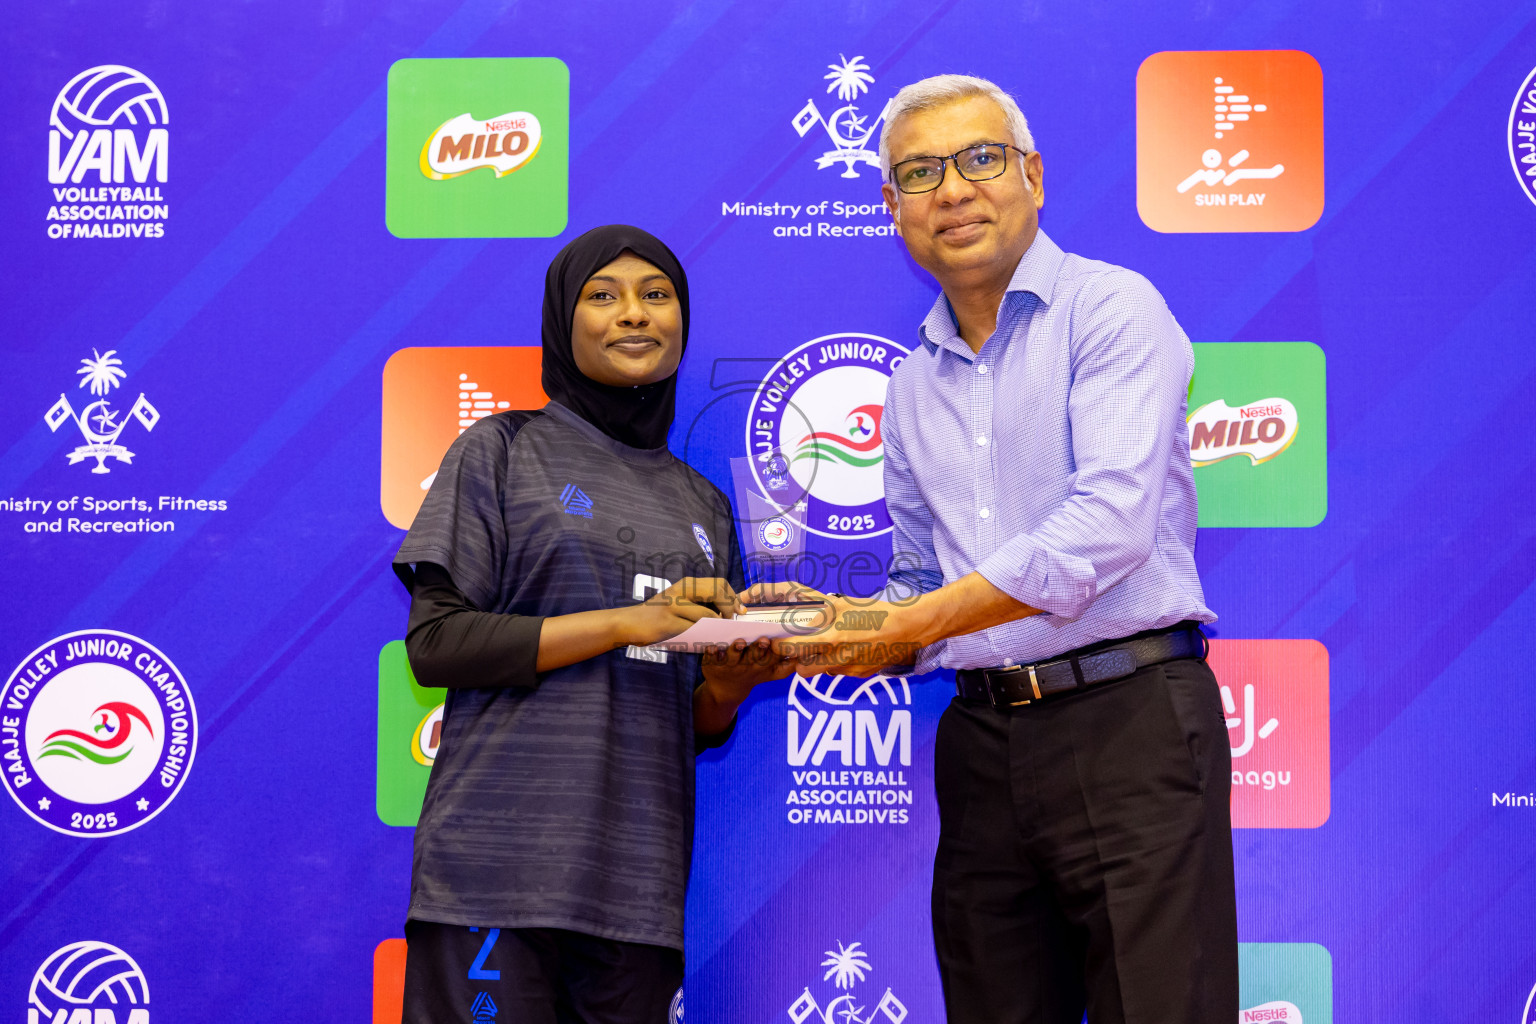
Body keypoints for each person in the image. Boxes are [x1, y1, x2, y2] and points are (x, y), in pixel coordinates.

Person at [753, 76, 1238, 1022]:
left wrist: (915, 617)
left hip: (1128, 718)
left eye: (980, 160)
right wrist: (802, 632)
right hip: (980, 745)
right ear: (892, 209)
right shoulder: (906, 387)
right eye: (921, 173)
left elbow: (1106, 524)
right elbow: (918, 583)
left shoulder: (1111, 309)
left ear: (1034, 176)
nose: (953, 190)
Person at [392, 224, 788, 1024]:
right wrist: (624, 622)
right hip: (496, 874)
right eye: (603, 296)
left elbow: (696, 722)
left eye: (657, 295)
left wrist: (730, 685)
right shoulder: (501, 451)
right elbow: (436, 645)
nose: (634, 314)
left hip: (636, 888)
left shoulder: (704, 502)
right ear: (562, 323)